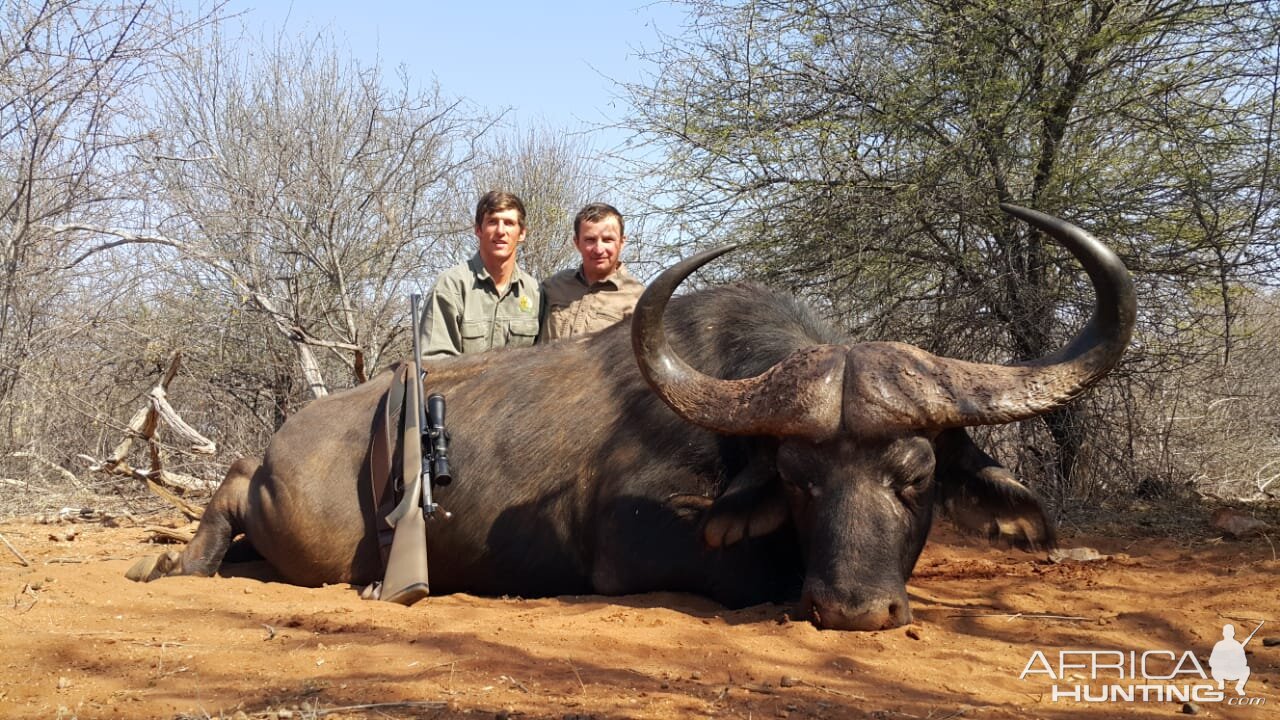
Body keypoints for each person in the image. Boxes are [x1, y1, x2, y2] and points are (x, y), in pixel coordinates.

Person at [419, 191, 541, 357]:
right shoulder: (451, 286)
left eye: (509, 223)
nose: (500, 231)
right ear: (478, 230)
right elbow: (434, 362)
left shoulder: (535, 292)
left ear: (522, 233)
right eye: (492, 222)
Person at [539, 202, 645, 342]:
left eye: (608, 240)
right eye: (590, 240)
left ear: (621, 242)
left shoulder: (639, 300)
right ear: (577, 243)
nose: (599, 249)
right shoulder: (552, 287)